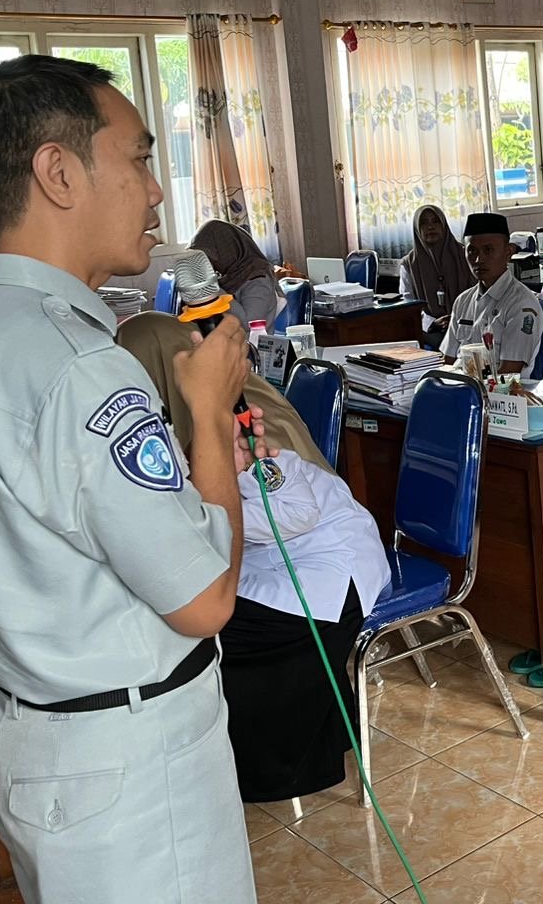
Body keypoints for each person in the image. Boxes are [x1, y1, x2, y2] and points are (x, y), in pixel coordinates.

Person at [0, 55, 260, 903]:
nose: (157, 191)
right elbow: (205, 599)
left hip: (33, 739)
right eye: (138, 158)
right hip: (127, 767)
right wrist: (207, 416)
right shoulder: (79, 367)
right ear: (59, 172)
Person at [117, 313, 390, 804]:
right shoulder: (193, 419)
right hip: (281, 567)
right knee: (194, 609)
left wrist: (217, 515)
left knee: (202, 627)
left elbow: (295, 512)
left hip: (328, 574)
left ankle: (267, 767)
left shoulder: (244, 419)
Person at [439, 212, 543, 376]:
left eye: (488, 250)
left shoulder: (521, 304)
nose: (478, 259)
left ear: (508, 251)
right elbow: (447, 361)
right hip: (459, 391)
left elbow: (509, 373)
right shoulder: (463, 301)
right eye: (472, 251)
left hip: (500, 396)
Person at [191, 218, 280, 329]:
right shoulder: (230, 276)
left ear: (227, 252)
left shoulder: (257, 278)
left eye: (212, 259)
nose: (210, 265)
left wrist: (213, 290)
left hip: (253, 344)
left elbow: (250, 324)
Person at [398, 204, 470, 340]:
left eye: (436, 221)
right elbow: (408, 305)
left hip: (467, 323)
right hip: (432, 329)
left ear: (444, 225)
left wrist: (459, 319)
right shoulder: (408, 264)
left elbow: (479, 293)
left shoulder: (465, 255)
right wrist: (431, 323)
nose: (430, 227)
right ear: (417, 229)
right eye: (424, 223)